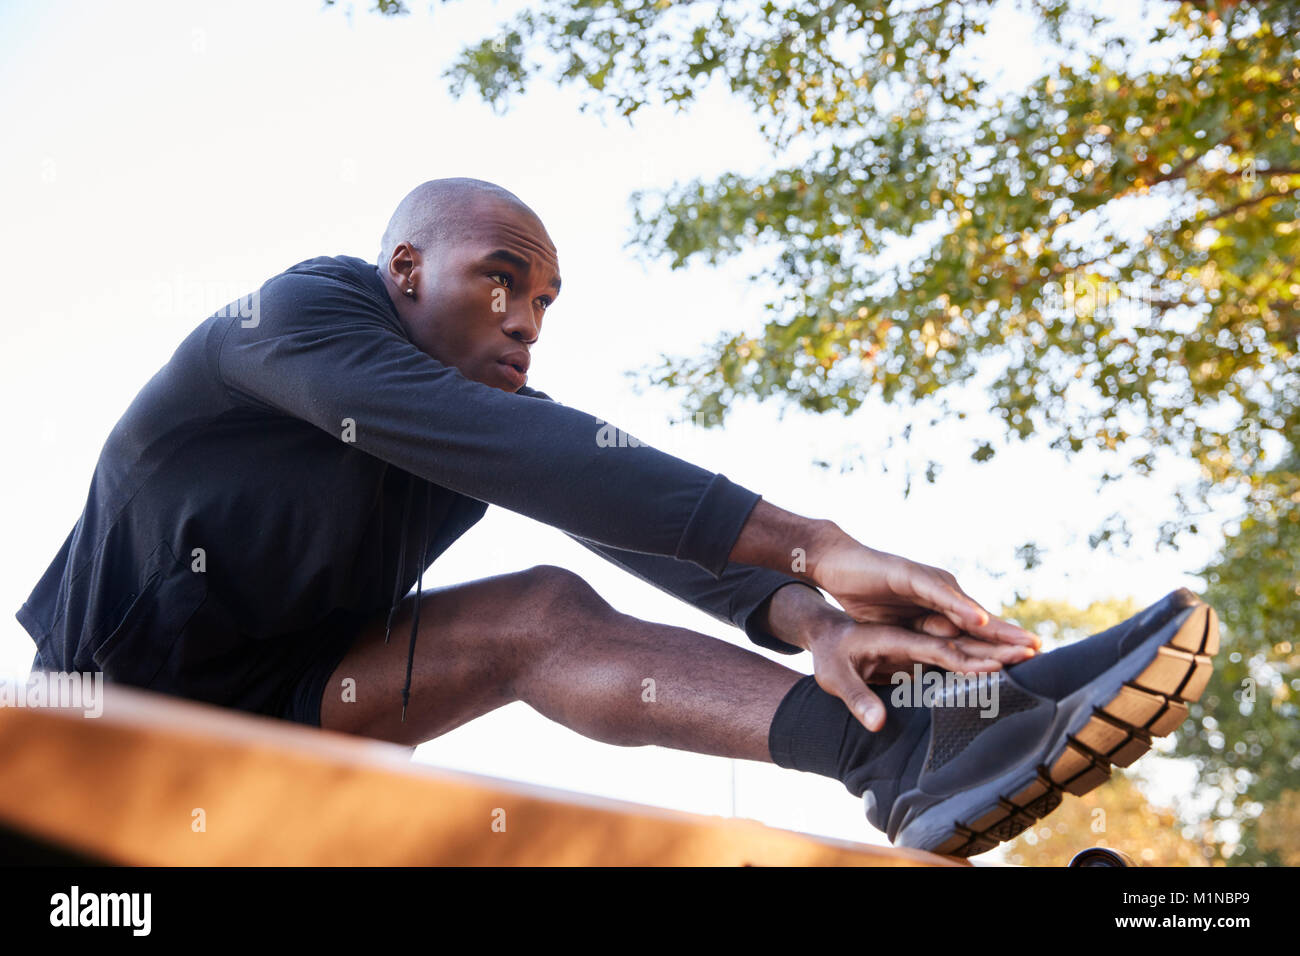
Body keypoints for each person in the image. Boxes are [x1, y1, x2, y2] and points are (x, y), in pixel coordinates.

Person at [16, 178, 1218, 857]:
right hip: (94, 719)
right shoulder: (299, 318)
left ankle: (921, 735)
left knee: (541, 614)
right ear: (402, 271)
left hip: (290, 712)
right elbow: (547, 456)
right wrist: (813, 538)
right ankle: (929, 737)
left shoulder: (482, 414)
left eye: (544, 297)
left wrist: (806, 616)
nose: (528, 316)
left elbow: (612, 509)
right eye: (500, 275)